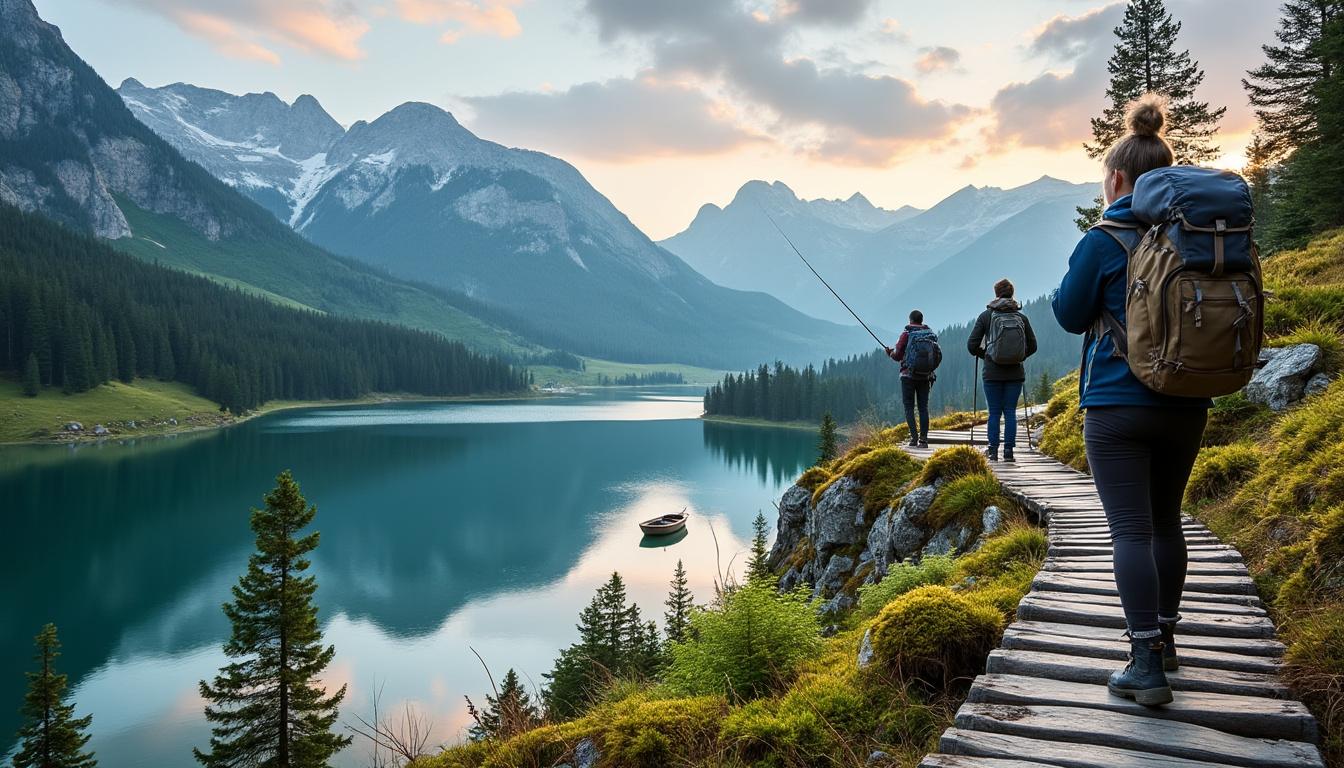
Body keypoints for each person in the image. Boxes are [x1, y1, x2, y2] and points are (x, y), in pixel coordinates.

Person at [1051, 94, 1211, 707]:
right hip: (1186, 400)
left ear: (1117, 179)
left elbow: (1068, 315)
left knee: (1129, 530)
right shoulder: (1195, 238)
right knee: (1168, 520)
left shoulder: (1105, 237)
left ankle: (1145, 662)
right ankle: (1167, 640)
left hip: (1117, 405)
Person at [966, 279, 1036, 462]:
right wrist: (1019, 356)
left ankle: (993, 450)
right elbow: (1033, 346)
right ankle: (1009, 452)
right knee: (1010, 412)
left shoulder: (986, 316)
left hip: (992, 373)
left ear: (996, 293)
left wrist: (988, 356)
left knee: (995, 412)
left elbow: (972, 345)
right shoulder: (1021, 317)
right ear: (1012, 293)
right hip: (1015, 373)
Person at [885, 310, 937, 448]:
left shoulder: (906, 334)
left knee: (909, 407)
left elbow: (897, 355)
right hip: (925, 375)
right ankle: (924, 440)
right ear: (921, 320)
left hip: (908, 376)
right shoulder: (930, 334)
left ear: (910, 320)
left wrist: (890, 353)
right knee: (923, 408)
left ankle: (914, 439)